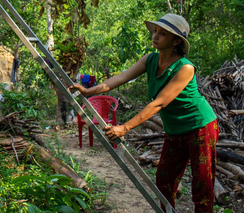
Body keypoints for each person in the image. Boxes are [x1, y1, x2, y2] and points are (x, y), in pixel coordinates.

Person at [70, 14, 218, 212]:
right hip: (174, 129)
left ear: (176, 41)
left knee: (201, 186)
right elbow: (121, 77)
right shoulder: (150, 59)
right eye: (155, 31)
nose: (155, 36)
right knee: (164, 180)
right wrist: (89, 91)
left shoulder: (185, 68)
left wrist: (124, 127)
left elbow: (158, 104)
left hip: (199, 126)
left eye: (162, 34)